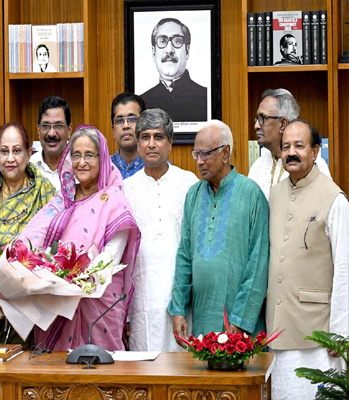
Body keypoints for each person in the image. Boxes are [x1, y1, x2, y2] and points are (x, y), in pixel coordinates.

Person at [18, 125, 140, 351]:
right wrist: (18, 256)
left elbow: (111, 256)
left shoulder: (113, 201)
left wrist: (78, 281)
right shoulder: (63, 198)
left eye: (89, 155)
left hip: (99, 302)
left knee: (102, 373)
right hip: (57, 298)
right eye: (76, 155)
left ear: (102, 158)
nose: (82, 162)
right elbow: (36, 232)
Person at [265, 120, 348, 400]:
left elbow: (345, 269)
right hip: (278, 327)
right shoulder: (274, 194)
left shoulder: (334, 199)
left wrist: (340, 332)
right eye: (286, 146)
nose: (291, 152)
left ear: (315, 151)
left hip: (318, 335)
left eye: (299, 146)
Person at [169, 121, 269, 344]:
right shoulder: (193, 195)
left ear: (225, 153)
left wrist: (240, 321)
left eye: (205, 153)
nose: (199, 161)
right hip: (203, 322)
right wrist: (178, 309)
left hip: (242, 328)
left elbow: (259, 263)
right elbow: (185, 256)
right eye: (196, 153)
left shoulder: (252, 193)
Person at [124, 109, 198, 351]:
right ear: (137, 143)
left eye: (159, 137)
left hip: (181, 297)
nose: (151, 144)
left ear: (171, 142)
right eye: (145, 137)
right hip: (141, 299)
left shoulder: (190, 184)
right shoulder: (125, 190)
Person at [0, 122, 56, 267]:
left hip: (38, 280)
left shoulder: (45, 191)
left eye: (17, 151)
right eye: (4, 151)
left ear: (29, 154)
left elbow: (57, 243)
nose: (10, 158)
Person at [248, 88, 331, 199]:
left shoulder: (312, 166)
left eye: (263, 118)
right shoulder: (258, 166)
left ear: (283, 124)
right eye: (257, 118)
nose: (257, 126)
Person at [141, 18, 208, 122]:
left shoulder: (206, 97)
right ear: (154, 53)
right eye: (162, 41)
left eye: (177, 41)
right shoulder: (142, 102)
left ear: (187, 51)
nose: (169, 50)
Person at [30, 96, 72, 188]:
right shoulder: (28, 167)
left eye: (58, 126)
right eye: (46, 126)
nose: (51, 133)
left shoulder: (80, 167)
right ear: (38, 130)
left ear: (69, 130)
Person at [110, 92, 146, 179]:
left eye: (132, 119)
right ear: (113, 130)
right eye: (119, 120)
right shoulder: (103, 167)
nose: (125, 126)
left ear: (144, 125)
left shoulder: (158, 167)